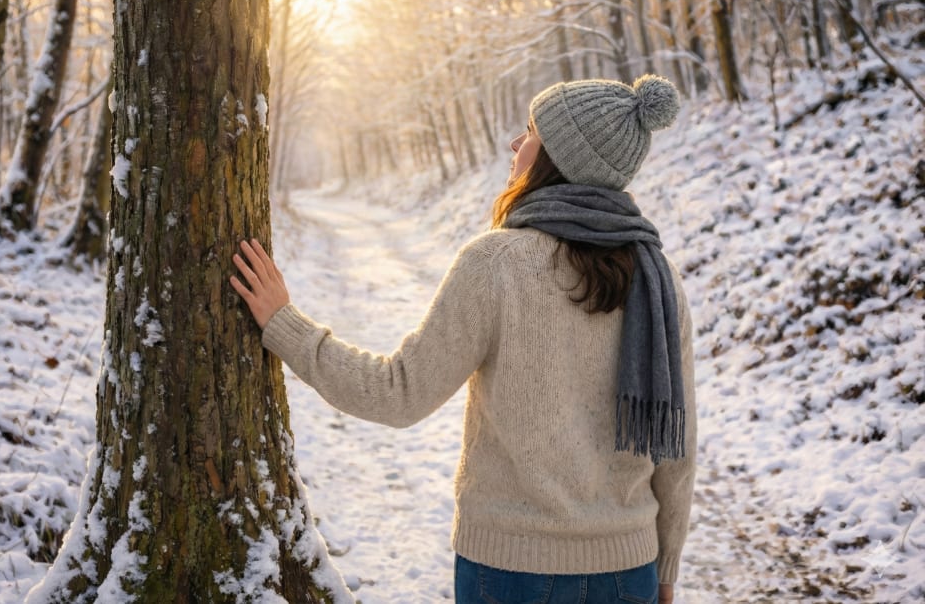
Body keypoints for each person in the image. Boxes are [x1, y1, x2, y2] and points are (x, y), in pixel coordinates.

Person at [229, 75, 696, 604]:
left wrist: (284, 325)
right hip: (628, 571)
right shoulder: (659, 280)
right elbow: (676, 451)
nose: (517, 145)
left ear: (561, 157)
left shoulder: (495, 263)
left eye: (531, 132)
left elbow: (398, 392)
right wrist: (666, 570)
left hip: (511, 571)